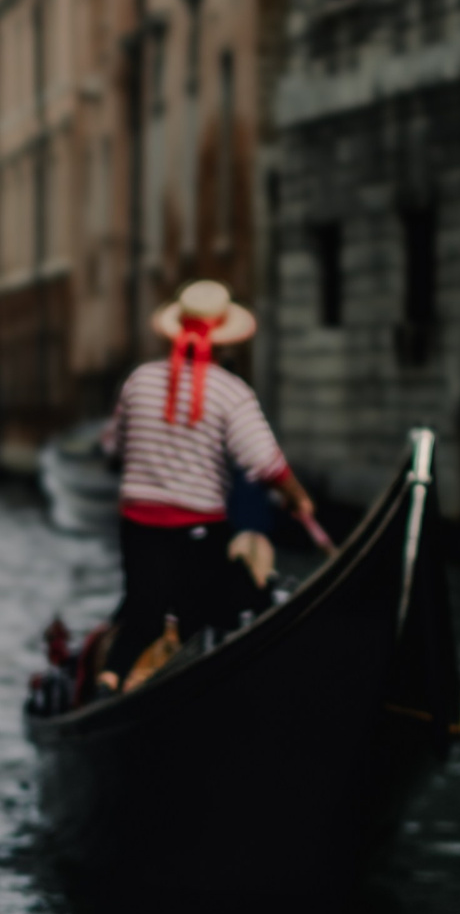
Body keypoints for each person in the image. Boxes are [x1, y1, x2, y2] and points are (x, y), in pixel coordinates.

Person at [97, 280, 315, 685]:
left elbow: (113, 446)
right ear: (225, 340)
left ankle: (111, 678)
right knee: (208, 617)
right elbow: (267, 463)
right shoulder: (232, 393)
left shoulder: (138, 381)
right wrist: (298, 499)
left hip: (137, 524)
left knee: (143, 610)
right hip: (197, 528)